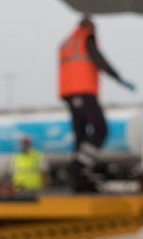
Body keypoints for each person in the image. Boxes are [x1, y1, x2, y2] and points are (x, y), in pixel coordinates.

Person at [58, 15, 135, 192]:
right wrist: (120, 79)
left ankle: (78, 176)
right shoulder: (86, 38)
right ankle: (77, 167)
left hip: (69, 93)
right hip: (83, 91)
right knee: (101, 129)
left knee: (81, 134)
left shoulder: (67, 42)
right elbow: (100, 60)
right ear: (89, 27)